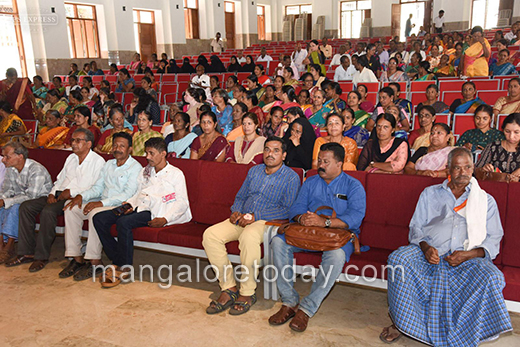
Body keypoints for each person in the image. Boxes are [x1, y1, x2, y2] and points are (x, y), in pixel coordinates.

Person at [380, 147, 513, 345]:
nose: (463, 173)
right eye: (457, 168)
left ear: (473, 168)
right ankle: (404, 324)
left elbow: (494, 237)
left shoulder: (484, 200)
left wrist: (469, 255)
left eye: (467, 167)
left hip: (468, 258)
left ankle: (467, 332)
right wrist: (425, 248)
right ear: (448, 169)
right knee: (398, 260)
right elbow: (416, 227)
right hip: (430, 252)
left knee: (492, 277)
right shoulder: (430, 193)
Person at [269, 142, 366, 332]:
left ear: (340, 164)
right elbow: (295, 208)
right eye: (319, 160)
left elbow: (356, 217)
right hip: (309, 233)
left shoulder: (354, 186)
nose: (320, 165)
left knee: (336, 256)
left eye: (326, 162)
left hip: (337, 237)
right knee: (278, 242)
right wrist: (301, 217)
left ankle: (306, 309)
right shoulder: (311, 181)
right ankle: (289, 302)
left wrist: (326, 223)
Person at [204, 136, 300, 315]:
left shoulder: (291, 178)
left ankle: (247, 293)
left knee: (248, 237)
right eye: (267, 150)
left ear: (284, 155)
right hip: (243, 218)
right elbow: (240, 197)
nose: (270, 154)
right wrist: (236, 211)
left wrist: (256, 216)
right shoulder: (254, 171)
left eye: (276, 151)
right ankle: (229, 287)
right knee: (210, 235)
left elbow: (287, 210)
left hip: (268, 221)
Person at [93, 137, 191, 288]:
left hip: (155, 211)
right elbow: (139, 193)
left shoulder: (175, 174)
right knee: (99, 218)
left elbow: (182, 203)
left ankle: (124, 266)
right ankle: (117, 258)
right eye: (146, 153)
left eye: (151, 153)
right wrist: (129, 204)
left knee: (123, 223)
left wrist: (165, 219)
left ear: (163, 154)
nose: (147, 157)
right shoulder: (146, 171)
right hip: (138, 206)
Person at [7, 128, 105, 272]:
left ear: (89, 144)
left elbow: (93, 186)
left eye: (78, 140)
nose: (74, 143)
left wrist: (70, 192)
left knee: (48, 211)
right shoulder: (71, 158)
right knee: (26, 207)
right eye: (72, 140)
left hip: (76, 198)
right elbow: (60, 178)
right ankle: (26, 252)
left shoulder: (97, 161)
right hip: (58, 194)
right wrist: (52, 193)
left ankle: (41, 256)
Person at [61, 132, 141, 280]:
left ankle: (95, 261)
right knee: (70, 207)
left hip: (118, 206)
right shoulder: (108, 164)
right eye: (115, 145)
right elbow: (97, 187)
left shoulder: (135, 168)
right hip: (103, 201)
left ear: (130, 149)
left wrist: (100, 203)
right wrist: (81, 196)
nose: (117, 148)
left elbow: (126, 195)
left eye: (122, 146)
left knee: (94, 213)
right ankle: (76, 257)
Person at [0, 142, 52, 263]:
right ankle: (1, 243)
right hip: (20, 198)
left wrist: (6, 201)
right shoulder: (11, 169)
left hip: (41, 198)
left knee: (15, 207)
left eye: (7, 156)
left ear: (20, 156)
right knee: (3, 206)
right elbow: (7, 190)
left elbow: (31, 196)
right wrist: (2, 199)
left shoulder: (36, 169)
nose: (3, 160)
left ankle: (9, 246)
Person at [476, 113, 520, 180]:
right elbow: (476, 170)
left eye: (516, 132)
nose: (511, 136)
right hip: (493, 188)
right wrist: (484, 169)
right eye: (507, 131)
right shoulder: (492, 147)